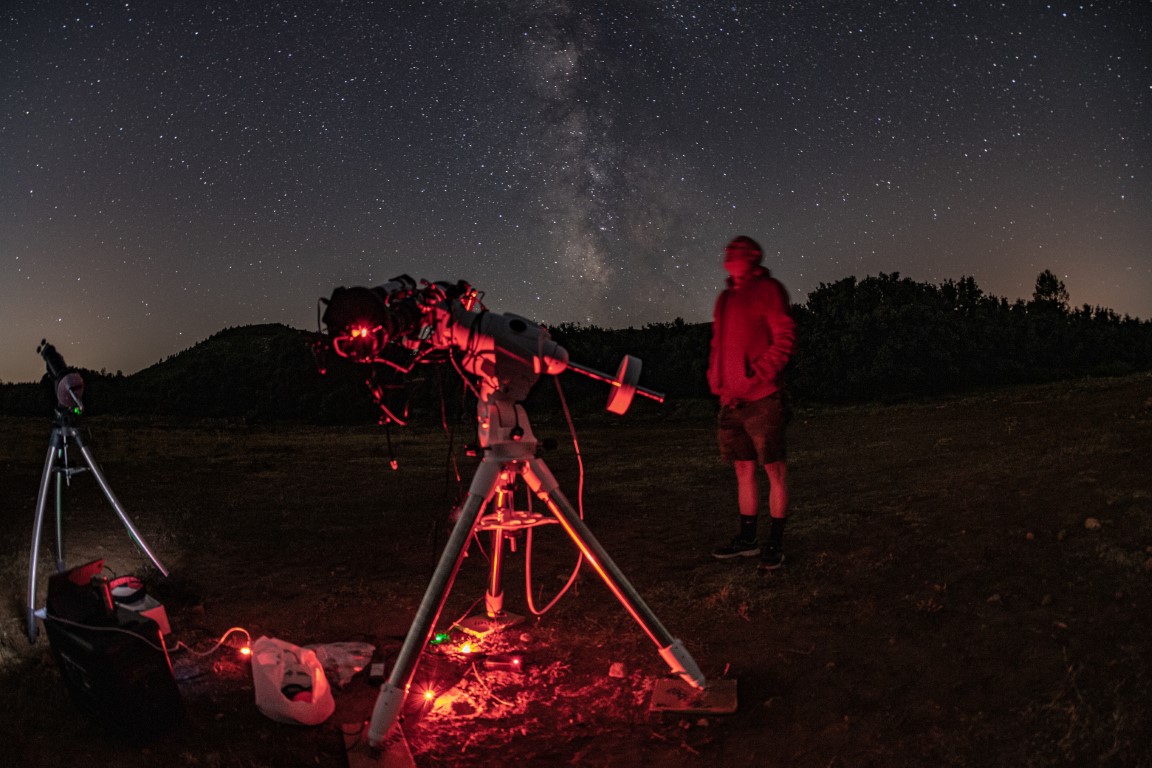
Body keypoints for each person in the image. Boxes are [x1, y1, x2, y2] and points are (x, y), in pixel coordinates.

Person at [707, 235, 796, 571]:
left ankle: (775, 541)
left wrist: (756, 373)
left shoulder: (769, 290)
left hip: (763, 399)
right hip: (731, 402)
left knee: (774, 471)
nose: (729, 252)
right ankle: (748, 540)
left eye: (737, 249)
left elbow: (784, 337)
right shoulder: (725, 299)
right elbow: (717, 343)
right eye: (727, 248)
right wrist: (715, 379)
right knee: (743, 470)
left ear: (753, 257)